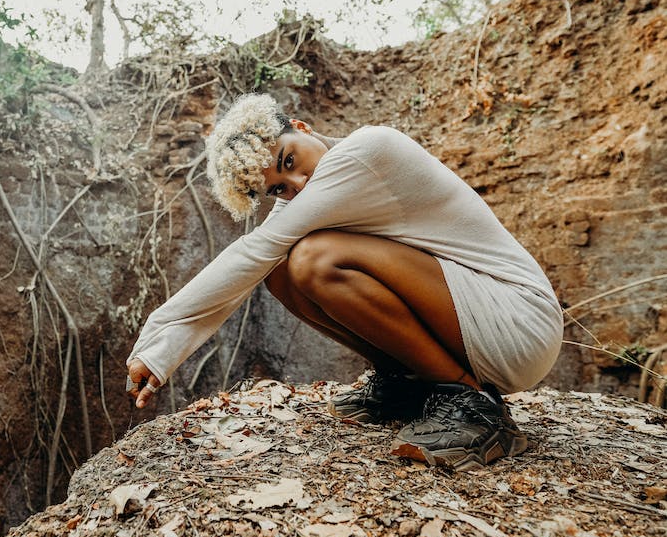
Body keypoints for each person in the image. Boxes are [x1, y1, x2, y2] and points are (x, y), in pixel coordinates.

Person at [126, 93, 563, 470]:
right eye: (278, 188)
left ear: (301, 127)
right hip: (470, 319)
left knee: (314, 259)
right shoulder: (306, 200)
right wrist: (161, 353)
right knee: (281, 268)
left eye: (290, 160)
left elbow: (253, 249)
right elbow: (257, 261)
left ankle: (473, 406)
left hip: (517, 318)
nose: (298, 184)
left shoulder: (368, 150)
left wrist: (156, 339)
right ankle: (405, 384)